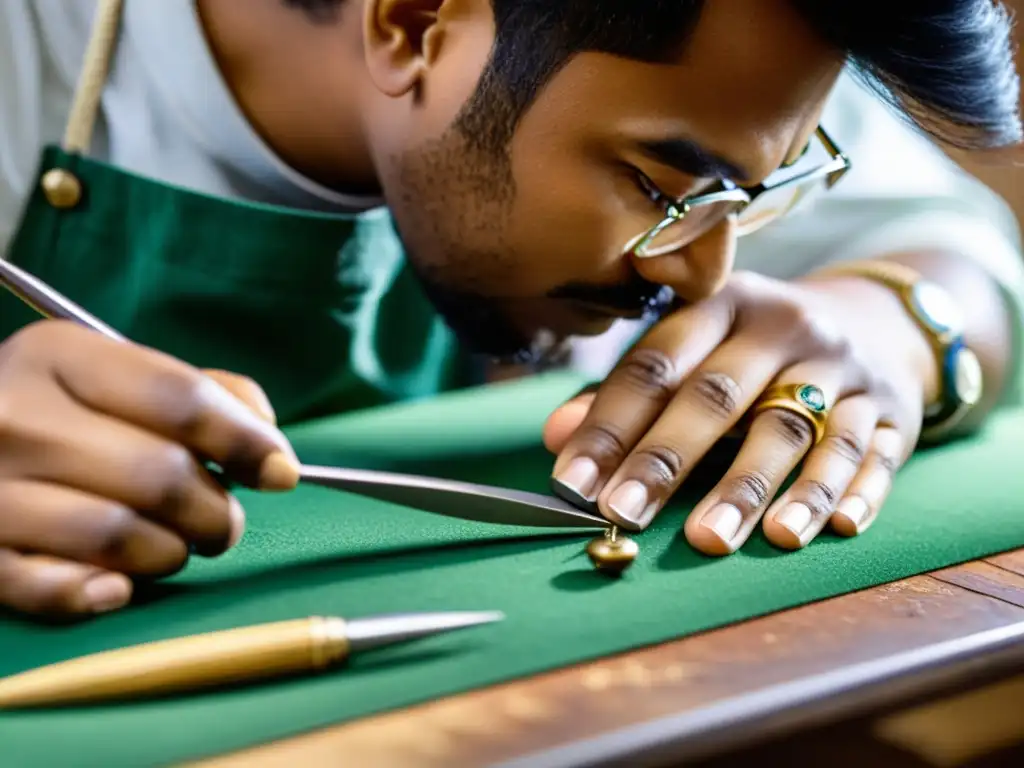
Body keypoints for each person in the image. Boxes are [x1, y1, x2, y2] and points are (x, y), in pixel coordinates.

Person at [0, 0, 1021, 619]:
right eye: (662, 191)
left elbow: (967, 250)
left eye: (752, 197)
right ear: (409, 24)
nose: (709, 274)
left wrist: (894, 326)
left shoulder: (733, 37)